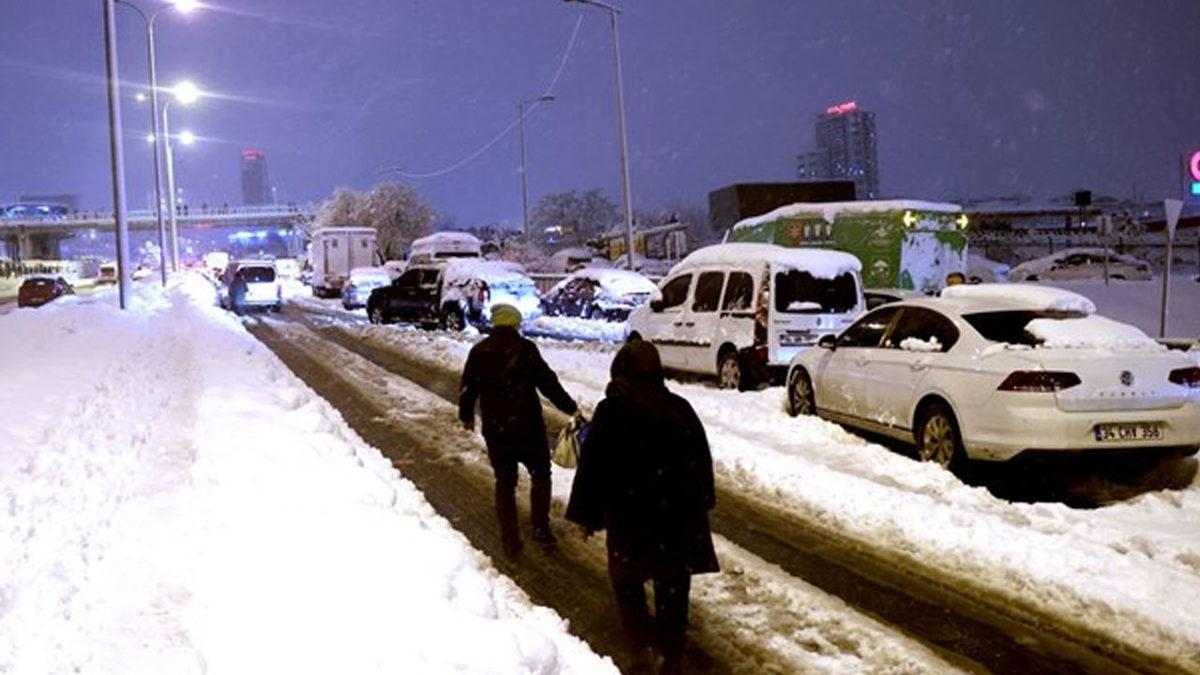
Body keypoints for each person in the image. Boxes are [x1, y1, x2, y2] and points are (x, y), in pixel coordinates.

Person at [566, 340, 718, 675]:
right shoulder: (679, 409)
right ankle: (670, 656)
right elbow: (701, 461)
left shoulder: (612, 412)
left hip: (629, 520)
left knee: (628, 585)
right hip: (674, 520)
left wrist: (586, 515)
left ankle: (640, 652)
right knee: (673, 589)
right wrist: (702, 501)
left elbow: (593, 468)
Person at [459, 303, 578, 558]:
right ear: (514, 325)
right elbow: (548, 384)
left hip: (497, 428)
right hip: (528, 427)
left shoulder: (480, 351)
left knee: (505, 481)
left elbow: (468, 388)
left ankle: (510, 537)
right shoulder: (526, 349)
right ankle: (540, 527)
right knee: (540, 475)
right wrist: (571, 408)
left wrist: (466, 415)